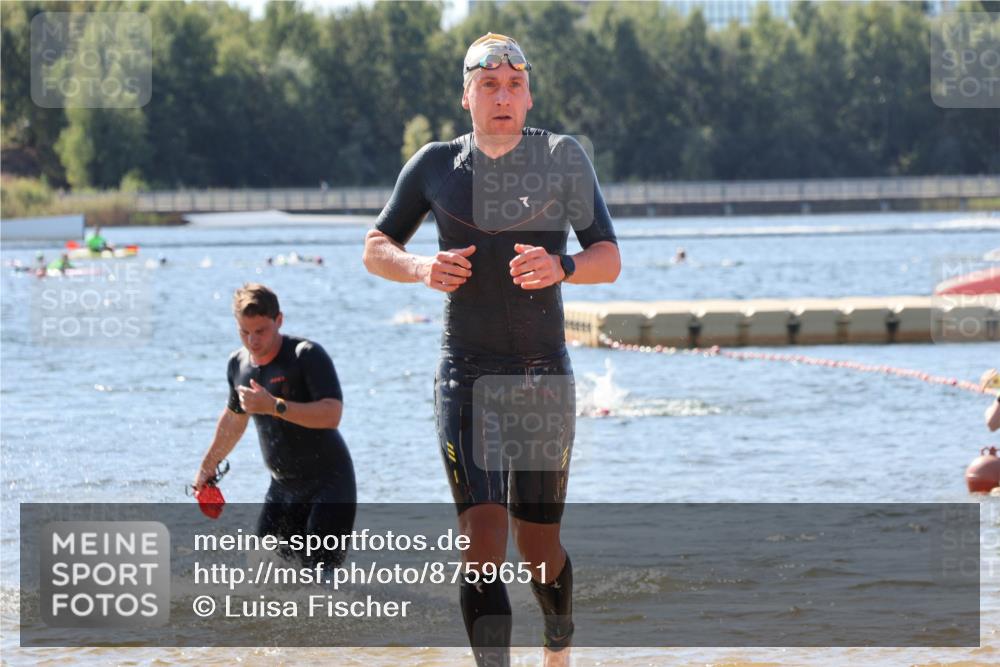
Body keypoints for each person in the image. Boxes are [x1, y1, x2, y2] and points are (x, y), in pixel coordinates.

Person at [363, 33, 621, 667]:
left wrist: (563, 266)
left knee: (538, 549)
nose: (502, 96)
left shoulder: (562, 159)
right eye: (489, 85)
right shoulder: (435, 165)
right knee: (480, 542)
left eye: (513, 85)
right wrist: (420, 268)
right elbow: (375, 247)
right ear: (467, 97)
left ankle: (558, 648)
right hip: (467, 376)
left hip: (542, 378)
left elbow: (608, 257)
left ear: (529, 97)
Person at [192, 283, 356, 567]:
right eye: (244, 332)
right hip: (282, 488)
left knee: (320, 581)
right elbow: (234, 419)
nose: (252, 340)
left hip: (329, 486)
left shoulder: (306, 355)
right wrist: (207, 468)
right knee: (262, 575)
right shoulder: (238, 364)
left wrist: (274, 406)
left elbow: (332, 414)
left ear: (279, 320)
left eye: (260, 331)